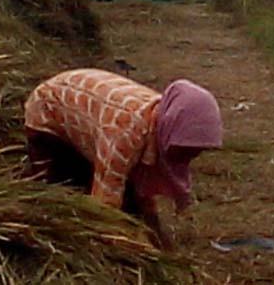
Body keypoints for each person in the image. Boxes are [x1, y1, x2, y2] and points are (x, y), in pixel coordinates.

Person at [23, 68, 223, 250]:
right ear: (174, 131)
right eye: (186, 150)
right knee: (62, 200)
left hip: (91, 113)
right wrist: (129, 248)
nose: (189, 158)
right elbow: (104, 206)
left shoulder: (162, 119)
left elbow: (142, 189)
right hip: (49, 111)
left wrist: (157, 238)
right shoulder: (124, 132)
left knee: (129, 203)